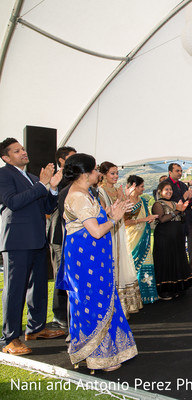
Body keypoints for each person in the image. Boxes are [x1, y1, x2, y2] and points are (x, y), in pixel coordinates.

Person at [59, 153, 137, 372]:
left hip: (95, 257)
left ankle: (104, 353)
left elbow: (95, 220)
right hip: (85, 258)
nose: (98, 173)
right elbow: (95, 231)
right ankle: (97, 356)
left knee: (101, 299)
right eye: (95, 169)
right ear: (85, 173)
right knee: (91, 302)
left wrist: (113, 211)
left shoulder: (86, 193)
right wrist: (114, 219)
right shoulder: (78, 196)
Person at [0, 138, 65, 356]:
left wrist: (52, 188)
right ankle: (10, 337)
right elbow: (13, 202)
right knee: (15, 289)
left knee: (38, 285)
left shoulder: (33, 177)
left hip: (38, 239)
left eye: (23, 149)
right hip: (17, 241)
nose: (23, 152)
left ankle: (36, 328)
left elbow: (46, 206)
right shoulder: (4, 174)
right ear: (6, 158)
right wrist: (41, 185)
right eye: (17, 151)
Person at [98, 161, 142, 318]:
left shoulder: (118, 191)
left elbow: (127, 216)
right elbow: (101, 214)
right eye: (112, 173)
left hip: (120, 230)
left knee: (121, 263)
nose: (116, 176)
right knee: (111, 263)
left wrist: (125, 204)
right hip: (108, 231)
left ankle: (122, 306)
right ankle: (110, 308)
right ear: (103, 174)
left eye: (117, 173)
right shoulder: (99, 192)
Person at [47, 146, 76, 330]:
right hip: (60, 234)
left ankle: (71, 312)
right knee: (61, 273)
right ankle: (59, 314)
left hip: (75, 236)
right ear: (62, 161)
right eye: (72, 157)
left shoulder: (75, 179)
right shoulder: (59, 181)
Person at [152, 180, 192, 300]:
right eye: (166, 190)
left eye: (171, 189)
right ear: (160, 192)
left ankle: (177, 287)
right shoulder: (158, 204)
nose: (169, 192)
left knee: (177, 260)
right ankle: (165, 290)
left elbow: (181, 219)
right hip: (164, 237)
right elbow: (162, 219)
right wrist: (178, 211)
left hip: (177, 237)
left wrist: (183, 211)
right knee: (166, 261)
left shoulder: (175, 203)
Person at [124, 175, 159, 304]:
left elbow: (146, 215)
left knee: (146, 261)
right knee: (133, 264)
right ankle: (134, 298)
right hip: (132, 237)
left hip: (144, 235)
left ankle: (147, 295)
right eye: (141, 186)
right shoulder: (125, 201)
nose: (143, 189)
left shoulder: (143, 201)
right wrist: (142, 220)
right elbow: (125, 222)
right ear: (134, 185)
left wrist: (149, 218)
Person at [167, 163, 192, 277]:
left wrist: (191, 198)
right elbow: (175, 203)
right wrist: (185, 196)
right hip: (179, 222)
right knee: (179, 248)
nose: (180, 173)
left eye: (181, 171)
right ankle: (181, 271)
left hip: (191, 223)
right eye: (177, 171)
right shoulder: (172, 188)